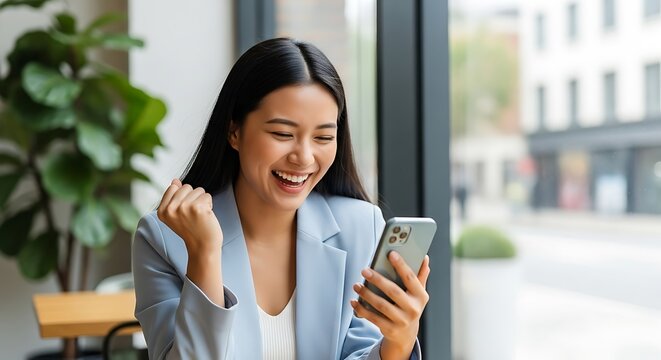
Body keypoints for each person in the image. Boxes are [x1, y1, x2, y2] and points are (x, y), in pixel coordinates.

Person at [132, 37, 431, 360]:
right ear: (234, 131)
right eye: (282, 134)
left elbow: (358, 352)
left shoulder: (360, 227)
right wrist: (204, 254)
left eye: (323, 137)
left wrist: (398, 345)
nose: (304, 157)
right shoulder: (163, 238)